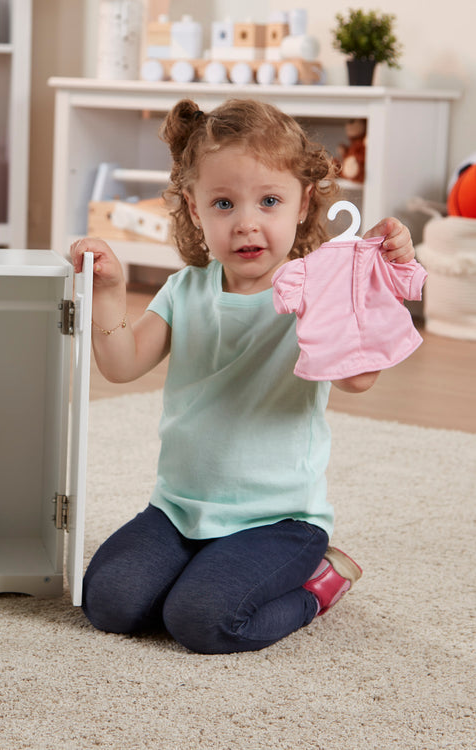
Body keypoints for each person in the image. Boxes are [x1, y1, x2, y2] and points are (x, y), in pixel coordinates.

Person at [70, 98, 416, 655]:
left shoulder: (313, 292)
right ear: (194, 207)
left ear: (303, 204)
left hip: (278, 521)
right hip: (179, 510)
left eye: (270, 201)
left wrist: (371, 281)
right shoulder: (185, 290)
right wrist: (109, 292)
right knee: (108, 603)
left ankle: (317, 587)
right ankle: (206, 569)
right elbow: (121, 364)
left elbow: (358, 380)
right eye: (224, 203)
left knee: (202, 622)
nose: (246, 223)